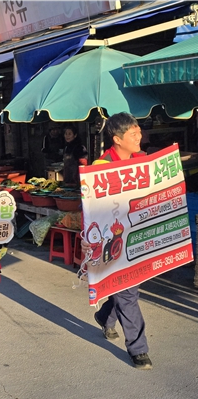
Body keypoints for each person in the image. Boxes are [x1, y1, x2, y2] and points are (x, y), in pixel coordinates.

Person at [81, 112, 152, 370]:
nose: (139, 136)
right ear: (117, 139)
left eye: (138, 131)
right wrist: (87, 238)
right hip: (112, 239)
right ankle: (138, 349)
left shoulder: (143, 161)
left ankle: (104, 316)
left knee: (126, 288)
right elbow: (90, 208)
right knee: (128, 292)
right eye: (133, 134)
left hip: (136, 238)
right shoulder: (101, 167)